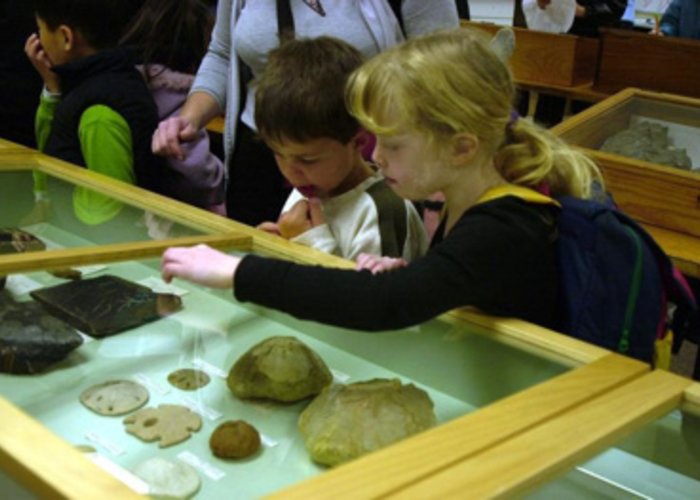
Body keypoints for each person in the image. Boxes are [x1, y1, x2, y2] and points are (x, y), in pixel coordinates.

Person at [161, 28, 604, 333]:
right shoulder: (464, 202)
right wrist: (416, 273)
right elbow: (460, 286)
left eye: (393, 144)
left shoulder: (505, 225)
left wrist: (237, 272)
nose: (375, 155)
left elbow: (385, 304)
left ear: (461, 148)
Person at [151, 0, 460, 227]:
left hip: (362, 155)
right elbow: (222, 54)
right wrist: (187, 119)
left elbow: (441, 67)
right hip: (263, 152)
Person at [254, 37, 427, 261]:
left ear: (358, 142)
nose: (290, 171)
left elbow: (371, 294)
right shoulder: (308, 185)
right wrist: (272, 250)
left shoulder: (380, 209)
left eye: (307, 159)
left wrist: (311, 243)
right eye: (278, 153)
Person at [25, 0, 166, 226]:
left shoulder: (99, 113)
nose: (37, 41)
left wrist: (58, 207)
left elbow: (102, 212)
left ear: (66, 37)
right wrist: (53, 91)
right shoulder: (92, 81)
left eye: (41, 30)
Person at [120, 0, 227, 215]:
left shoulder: (128, 85)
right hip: (178, 217)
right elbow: (199, 175)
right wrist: (224, 179)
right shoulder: (179, 100)